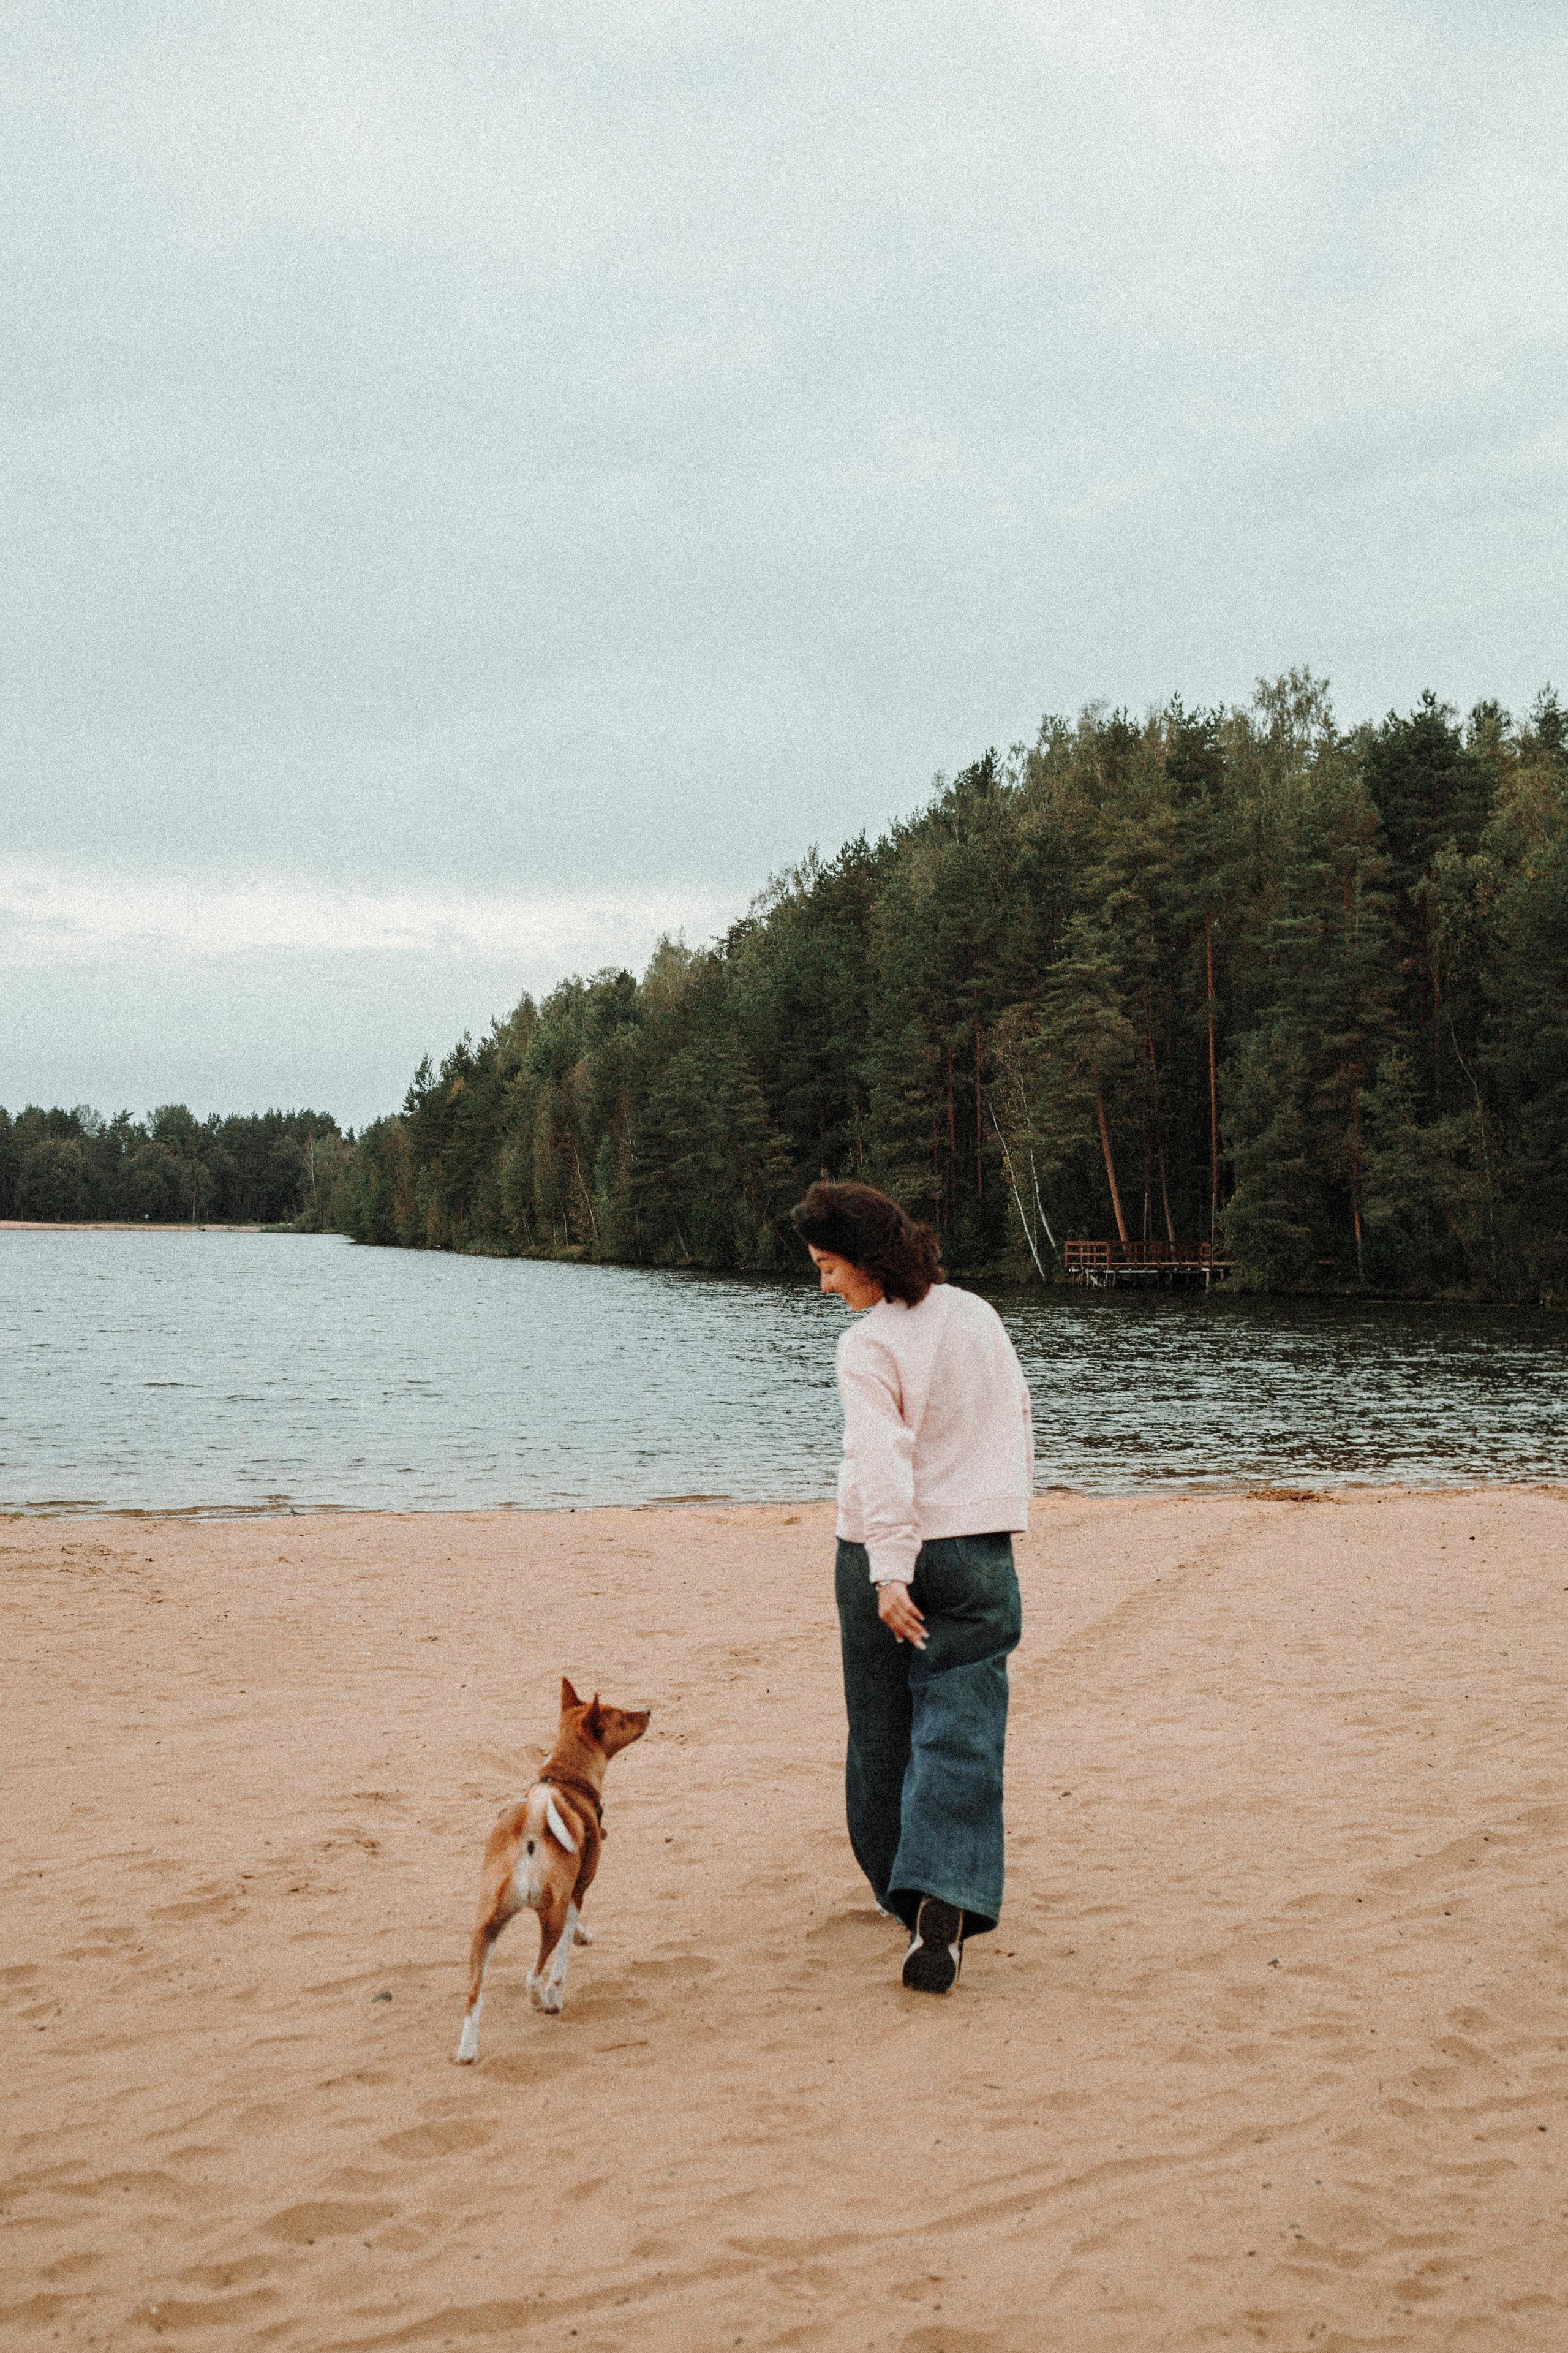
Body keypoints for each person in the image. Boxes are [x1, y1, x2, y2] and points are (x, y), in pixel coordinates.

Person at [791, 1179, 1033, 1993]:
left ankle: (909, 1894)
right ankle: (944, 1894)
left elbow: (880, 1456)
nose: (825, 1285)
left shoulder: (869, 1345)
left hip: (880, 1550)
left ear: (868, 1261)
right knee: (963, 1724)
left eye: (829, 1267)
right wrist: (999, 1515)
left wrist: (891, 1568)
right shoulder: (979, 1315)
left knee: (881, 1729)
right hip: (977, 1550)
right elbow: (1015, 1419)